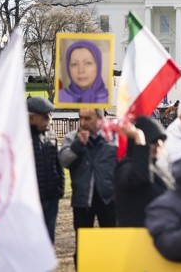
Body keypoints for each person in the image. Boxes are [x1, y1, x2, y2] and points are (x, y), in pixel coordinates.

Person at [58, 108, 117, 265]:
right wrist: (78, 146)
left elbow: (122, 162)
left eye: (87, 118)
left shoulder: (111, 137)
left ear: (100, 118)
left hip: (109, 199)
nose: (82, 122)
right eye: (80, 118)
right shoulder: (72, 138)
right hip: (83, 199)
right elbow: (64, 160)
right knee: (83, 245)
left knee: (111, 243)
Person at [114, 116, 174, 227]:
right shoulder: (125, 167)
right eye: (153, 141)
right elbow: (140, 177)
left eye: (161, 140)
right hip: (134, 237)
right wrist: (140, 140)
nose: (159, 144)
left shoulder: (158, 168)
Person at [27, 96, 64, 244]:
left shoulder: (51, 135)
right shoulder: (20, 138)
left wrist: (59, 189)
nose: (49, 119)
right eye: (45, 116)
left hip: (51, 198)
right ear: (32, 118)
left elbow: (58, 163)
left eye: (50, 115)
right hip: (30, 201)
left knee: (48, 239)